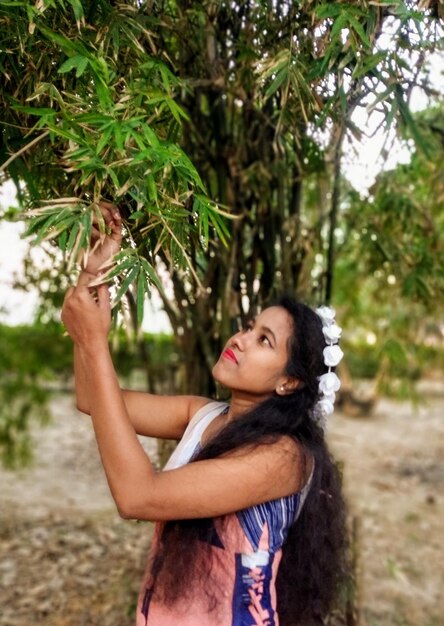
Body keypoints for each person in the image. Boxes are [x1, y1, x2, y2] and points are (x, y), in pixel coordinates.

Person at [61, 204, 349, 626]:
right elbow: (91, 396)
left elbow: (138, 496)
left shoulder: (284, 458)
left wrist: (94, 342)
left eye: (264, 341)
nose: (241, 339)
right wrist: (92, 276)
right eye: (250, 327)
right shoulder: (203, 415)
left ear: (289, 382)